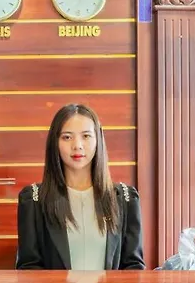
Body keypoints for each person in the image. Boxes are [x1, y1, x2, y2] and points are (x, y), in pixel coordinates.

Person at [16, 103, 145, 270]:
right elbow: (29, 268)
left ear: (98, 140)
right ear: (55, 143)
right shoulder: (33, 200)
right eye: (67, 137)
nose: (77, 145)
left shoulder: (125, 199)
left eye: (86, 136)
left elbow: (133, 267)